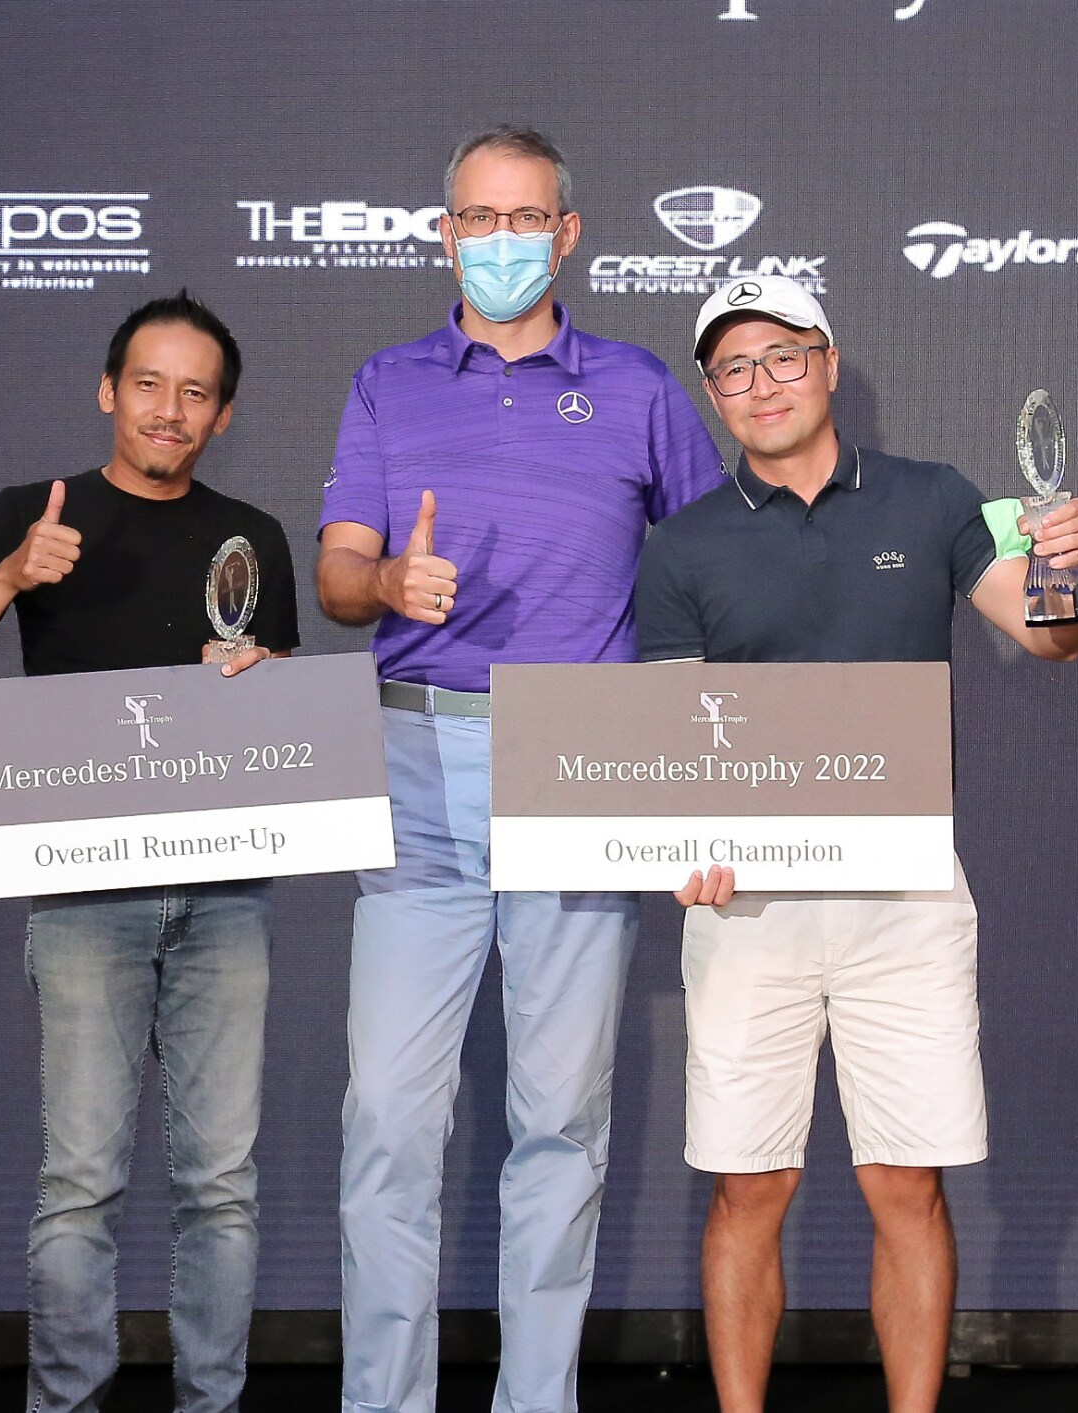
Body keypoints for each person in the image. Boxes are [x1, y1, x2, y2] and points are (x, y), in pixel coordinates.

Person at [633, 275, 1078, 1413]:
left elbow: (1052, 641)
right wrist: (675, 847)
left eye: (784, 357)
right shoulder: (679, 546)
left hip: (905, 892)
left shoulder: (937, 498)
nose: (762, 384)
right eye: (734, 368)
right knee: (751, 1187)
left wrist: (1065, 567)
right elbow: (666, 737)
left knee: (906, 1186)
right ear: (713, 393)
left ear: (831, 363)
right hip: (746, 906)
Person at [315, 126, 725, 1413]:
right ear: (446, 235)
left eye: (524, 218)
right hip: (415, 755)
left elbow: (710, 574)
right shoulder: (388, 381)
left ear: (566, 235)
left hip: (580, 769)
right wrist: (386, 581)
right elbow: (336, 575)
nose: (499, 239)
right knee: (387, 1119)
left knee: (559, 1125)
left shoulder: (643, 388)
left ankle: (535, 1402)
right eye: (475, 219)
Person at [0, 290, 298, 1413]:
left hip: (226, 896)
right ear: (109, 391)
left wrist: (265, 687)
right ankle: (66, 1405)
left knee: (222, 1188)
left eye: (196, 393)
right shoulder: (34, 513)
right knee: (80, 1187)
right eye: (150, 385)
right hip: (81, 901)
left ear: (223, 415)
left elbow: (290, 738)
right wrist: (12, 577)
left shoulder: (254, 535)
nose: (170, 410)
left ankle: (212, 1403)